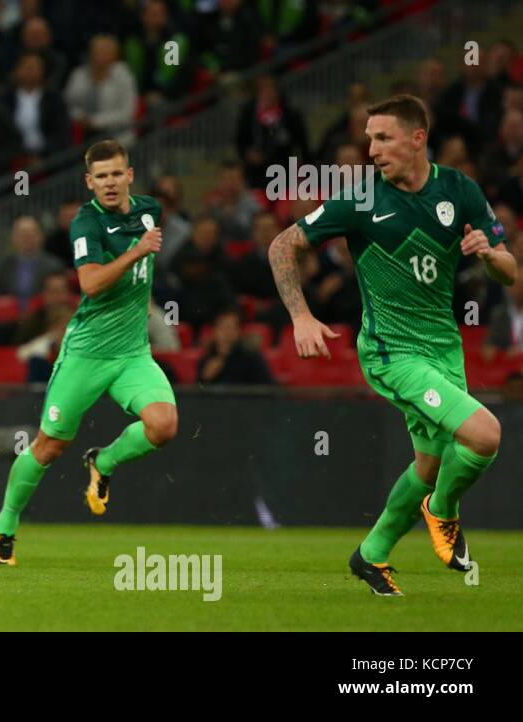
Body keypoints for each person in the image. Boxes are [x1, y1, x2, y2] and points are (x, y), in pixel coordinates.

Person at [268, 95, 515, 596]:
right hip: (392, 351)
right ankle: (443, 512)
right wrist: (301, 316)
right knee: (484, 436)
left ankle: (371, 554)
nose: (372, 148)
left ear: (417, 138)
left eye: (383, 137)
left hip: (444, 349)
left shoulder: (459, 190)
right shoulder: (360, 199)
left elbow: (510, 271)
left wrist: (490, 254)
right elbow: (282, 244)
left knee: (428, 466)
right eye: (369, 139)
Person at [0, 140, 179, 565]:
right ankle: (6, 523)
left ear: (129, 175)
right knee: (49, 446)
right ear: (89, 182)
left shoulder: (150, 209)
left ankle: (104, 461)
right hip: (86, 354)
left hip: (132, 353)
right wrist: (136, 251)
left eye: (117, 174)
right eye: (101, 177)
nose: (110, 183)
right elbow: (90, 284)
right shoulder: (86, 224)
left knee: (164, 426)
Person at [197, 307, 274, 385]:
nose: (227, 333)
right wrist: (204, 378)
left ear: (238, 331)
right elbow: (196, 391)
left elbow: (267, 390)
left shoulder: (252, 358)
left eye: (231, 327)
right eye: (223, 327)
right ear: (214, 331)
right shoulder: (206, 360)